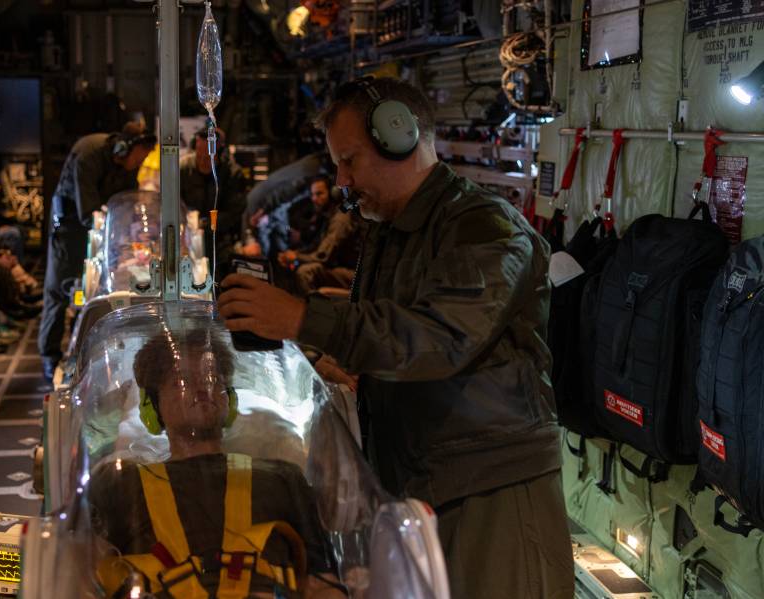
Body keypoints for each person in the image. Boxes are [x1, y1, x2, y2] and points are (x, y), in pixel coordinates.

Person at [218, 77, 574, 598]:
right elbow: (395, 335)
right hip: (424, 486)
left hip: (489, 493)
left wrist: (302, 320)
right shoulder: (392, 231)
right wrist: (357, 371)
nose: (341, 179)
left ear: (400, 135)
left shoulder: (483, 228)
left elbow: (441, 337)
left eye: (350, 160)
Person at [90, 330, 343, 598]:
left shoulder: (284, 478)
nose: (202, 389)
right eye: (181, 381)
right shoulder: (119, 486)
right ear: (152, 406)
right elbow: (83, 574)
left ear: (229, 399)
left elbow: (324, 584)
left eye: (212, 378)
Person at [38, 123, 155, 382]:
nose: (141, 162)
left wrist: (136, 231)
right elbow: (87, 209)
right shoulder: (89, 154)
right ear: (125, 147)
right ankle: (49, 355)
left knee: (95, 288)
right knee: (60, 288)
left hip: (99, 225)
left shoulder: (126, 166)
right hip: (69, 226)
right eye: (141, 156)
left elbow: (127, 202)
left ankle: (81, 346)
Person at [179, 126, 251, 273]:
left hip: (220, 240)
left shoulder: (233, 174)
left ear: (220, 153)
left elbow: (234, 212)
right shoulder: (183, 168)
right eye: (199, 155)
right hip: (187, 237)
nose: (203, 161)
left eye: (209, 157)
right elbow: (174, 202)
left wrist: (205, 223)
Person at [276, 175, 361, 296]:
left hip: (352, 273)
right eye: (313, 195)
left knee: (305, 272)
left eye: (319, 194)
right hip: (336, 267)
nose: (314, 199)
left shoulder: (341, 218)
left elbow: (323, 256)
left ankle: (311, 311)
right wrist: (293, 254)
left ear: (333, 194)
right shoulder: (327, 215)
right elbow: (315, 246)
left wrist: (296, 256)